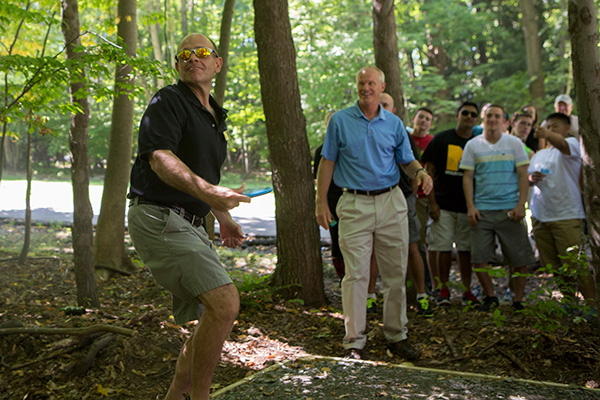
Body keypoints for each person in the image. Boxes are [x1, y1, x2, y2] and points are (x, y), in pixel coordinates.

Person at [127, 34, 250, 400]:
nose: (192, 58)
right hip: (158, 217)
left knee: (212, 314)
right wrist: (212, 193)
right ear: (177, 64)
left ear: (217, 63)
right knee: (225, 303)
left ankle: (176, 395)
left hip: (189, 223)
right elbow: (160, 159)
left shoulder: (214, 116)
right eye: (184, 54)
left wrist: (220, 213)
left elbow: (197, 177)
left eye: (201, 53)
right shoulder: (168, 100)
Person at [315, 66, 433, 360]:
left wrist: (420, 173)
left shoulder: (393, 123)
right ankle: (354, 340)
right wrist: (320, 201)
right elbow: (327, 162)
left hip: (391, 202)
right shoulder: (340, 121)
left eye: (371, 83)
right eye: (361, 83)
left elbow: (407, 160)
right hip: (354, 203)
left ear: (381, 87)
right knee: (355, 275)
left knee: (395, 272)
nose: (365, 88)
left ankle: (396, 335)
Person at [460, 104, 535, 312]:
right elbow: (467, 177)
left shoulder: (514, 144)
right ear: (483, 119)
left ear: (505, 121)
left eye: (497, 116)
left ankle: (518, 300)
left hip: (510, 210)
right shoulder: (473, 145)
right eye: (489, 116)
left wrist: (521, 205)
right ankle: (490, 296)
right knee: (480, 258)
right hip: (482, 210)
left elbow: (522, 174)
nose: (493, 120)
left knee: (520, 258)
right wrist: (471, 206)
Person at [528, 113, 597, 308]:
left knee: (575, 265)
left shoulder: (572, 145)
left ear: (566, 128)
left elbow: (562, 145)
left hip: (566, 215)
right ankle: (570, 304)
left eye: (555, 125)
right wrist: (532, 179)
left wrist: (546, 133)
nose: (549, 129)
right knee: (554, 267)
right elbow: (528, 179)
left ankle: (593, 307)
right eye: (547, 125)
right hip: (541, 216)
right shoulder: (540, 154)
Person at [380, 93, 433, 318]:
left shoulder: (400, 132)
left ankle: (421, 295)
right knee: (376, 250)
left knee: (413, 246)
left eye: (386, 105)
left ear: (393, 109)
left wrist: (412, 194)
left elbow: (413, 164)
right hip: (378, 198)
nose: (381, 108)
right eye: (379, 104)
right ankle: (374, 297)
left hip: (404, 197)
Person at [421, 102, 479, 307]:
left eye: (473, 115)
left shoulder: (478, 142)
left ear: (477, 119)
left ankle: (467, 289)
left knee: (465, 250)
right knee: (441, 247)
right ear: (457, 115)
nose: (469, 117)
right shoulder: (442, 139)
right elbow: (429, 171)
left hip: (467, 206)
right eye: (465, 113)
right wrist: (432, 203)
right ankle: (442, 288)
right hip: (443, 204)